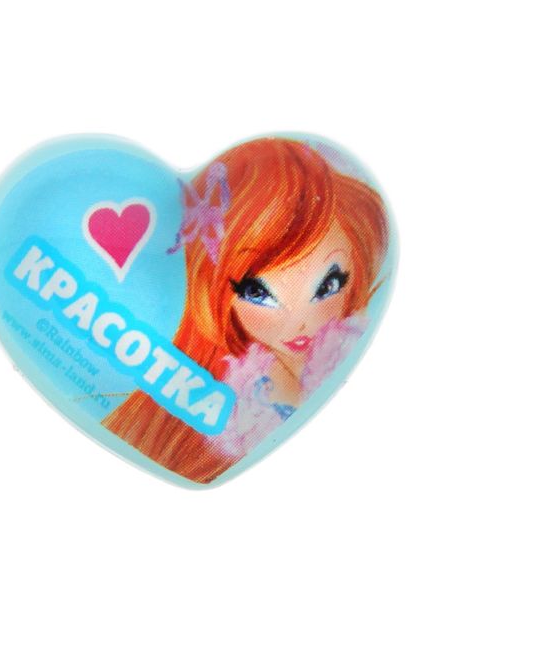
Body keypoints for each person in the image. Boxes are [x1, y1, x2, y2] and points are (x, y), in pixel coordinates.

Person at [103, 137, 389, 483]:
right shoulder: (237, 395)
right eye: (257, 292)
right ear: (214, 290)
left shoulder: (340, 358)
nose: (300, 323)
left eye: (328, 285)